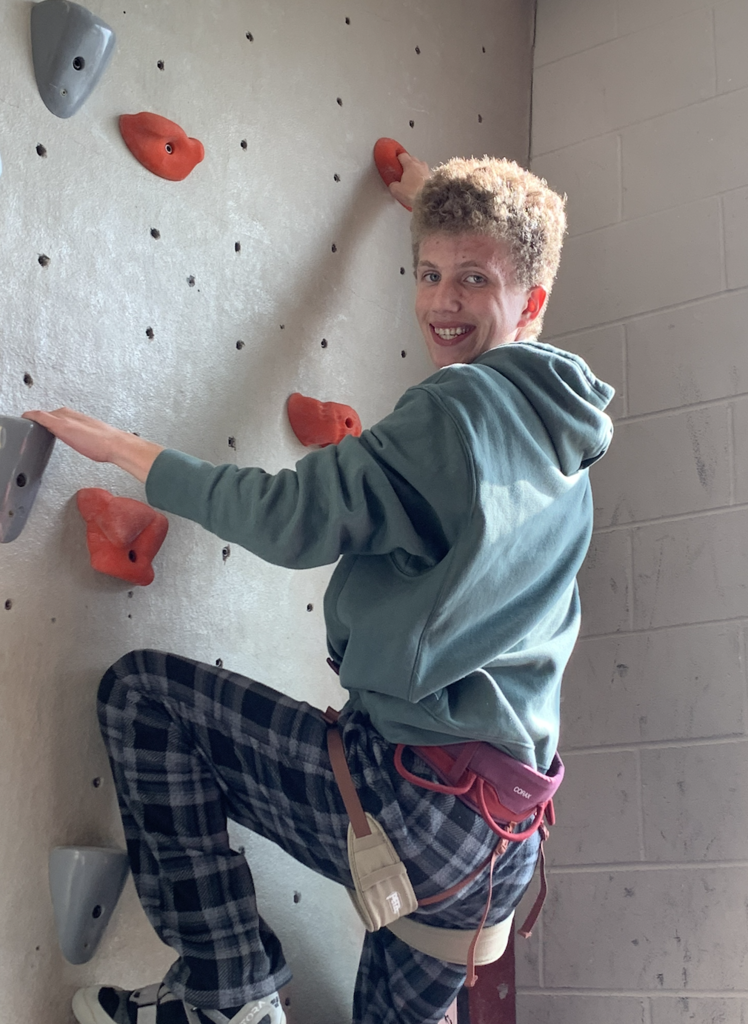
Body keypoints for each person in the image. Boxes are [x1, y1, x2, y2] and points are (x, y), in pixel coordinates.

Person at [24, 151, 613, 1024]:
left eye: (471, 280)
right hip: (502, 843)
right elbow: (501, 259)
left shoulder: (451, 410)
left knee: (145, 697)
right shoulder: (562, 433)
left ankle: (228, 993)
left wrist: (128, 452)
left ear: (529, 301)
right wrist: (431, 199)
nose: (441, 302)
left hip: (411, 801)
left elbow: (289, 518)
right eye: (427, 274)